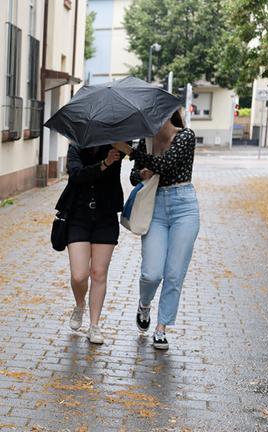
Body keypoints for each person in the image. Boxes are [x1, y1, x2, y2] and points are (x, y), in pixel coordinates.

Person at [113, 110, 199, 351]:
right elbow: (133, 176)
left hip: (184, 206)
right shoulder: (147, 142)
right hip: (156, 206)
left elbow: (166, 164)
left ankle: (161, 328)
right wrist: (140, 172)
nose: (149, 123)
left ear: (167, 115)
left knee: (174, 274)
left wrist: (132, 153)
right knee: (151, 273)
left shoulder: (185, 136)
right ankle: (144, 304)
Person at [56, 144, 123, 344]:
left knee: (98, 273)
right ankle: (79, 305)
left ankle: (94, 326)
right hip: (78, 216)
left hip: (106, 217)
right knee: (79, 275)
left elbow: (130, 162)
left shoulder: (115, 146)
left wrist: (122, 152)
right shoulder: (76, 147)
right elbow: (76, 175)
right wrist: (104, 163)